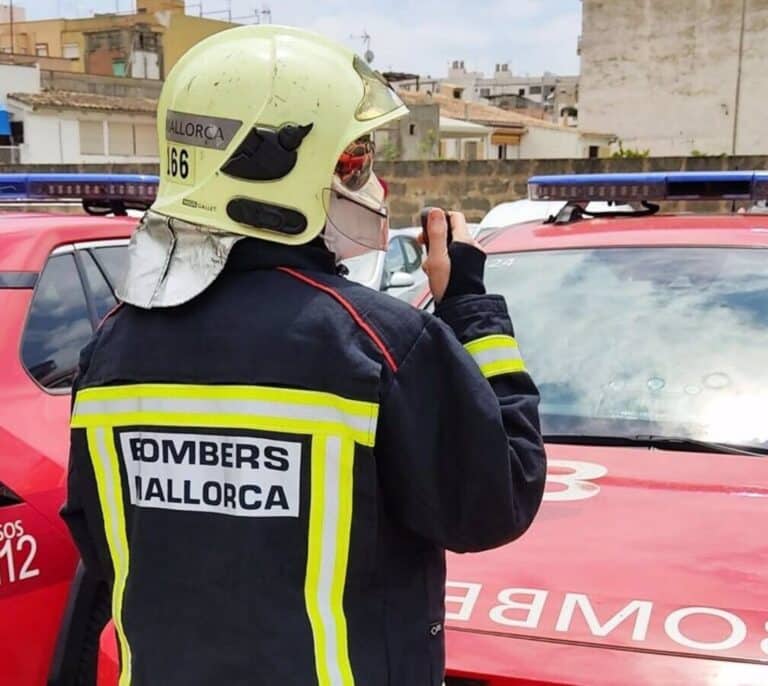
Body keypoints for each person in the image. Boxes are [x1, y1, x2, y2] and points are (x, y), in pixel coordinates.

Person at [61, 25, 546, 686]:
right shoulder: (380, 343)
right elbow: (497, 501)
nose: (369, 182)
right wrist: (468, 306)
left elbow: (104, 544)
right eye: (353, 158)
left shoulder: (110, 348)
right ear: (276, 162)